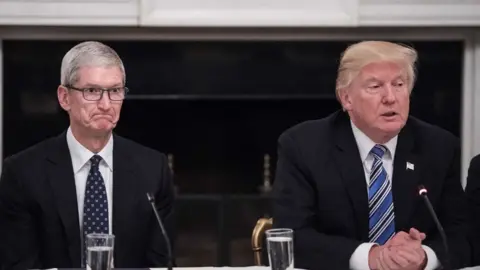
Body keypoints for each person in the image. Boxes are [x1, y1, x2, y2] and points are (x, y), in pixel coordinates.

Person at [272, 40, 471, 270]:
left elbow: (462, 235)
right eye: (375, 87)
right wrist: (370, 256)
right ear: (346, 98)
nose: (390, 97)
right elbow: (292, 235)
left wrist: (423, 256)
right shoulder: (304, 146)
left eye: (399, 84)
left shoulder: (439, 147)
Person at [0, 41, 175, 269]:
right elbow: (18, 264)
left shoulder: (153, 169)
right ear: (64, 98)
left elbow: (161, 263)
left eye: (114, 91)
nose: (105, 104)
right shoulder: (22, 173)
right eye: (92, 91)